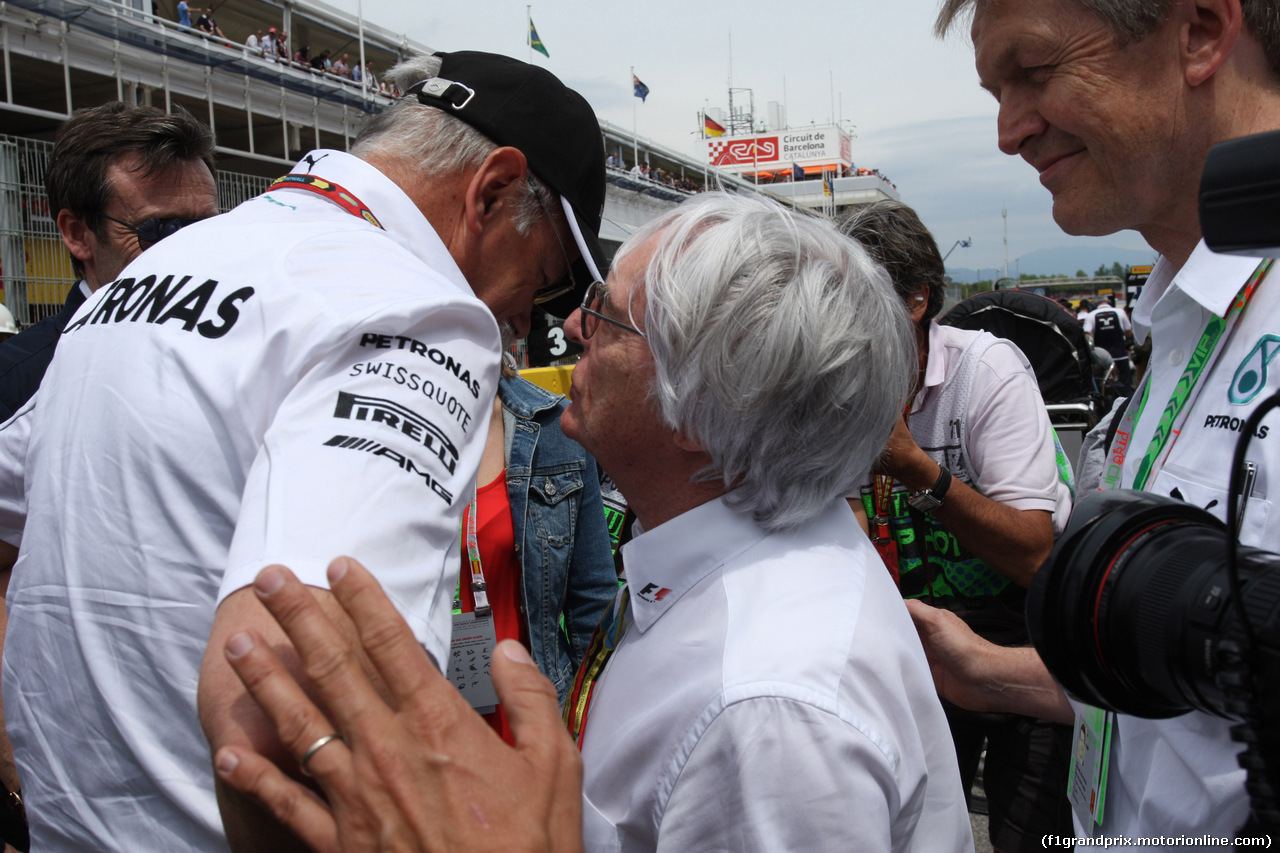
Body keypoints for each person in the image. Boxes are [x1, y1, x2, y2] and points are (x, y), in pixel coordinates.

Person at [218, 191, 976, 852]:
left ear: (700, 405)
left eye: (609, 315)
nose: (575, 325)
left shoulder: (765, 706)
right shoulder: (748, 581)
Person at [0, 50, 606, 853]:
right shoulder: (413, 307)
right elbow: (282, 710)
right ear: (491, 191)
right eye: (550, 274)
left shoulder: (153, 270)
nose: (538, 309)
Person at [916, 0, 1280, 846]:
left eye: (1034, 73)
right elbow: (1202, 683)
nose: (1008, 132)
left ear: (1198, 32)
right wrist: (995, 675)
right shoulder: (1179, 315)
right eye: (993, 91)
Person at [841, 200, 1075, 853]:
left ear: (917, 301)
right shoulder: (840, 384)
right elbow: (848, 536)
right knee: (920, 830)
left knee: (1030, 835)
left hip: (1027, 634)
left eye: (857, 296)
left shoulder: (986, 371)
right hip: (921, 641)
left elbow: (1033, 553)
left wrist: (916, 468)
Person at [0, 102, 218, 423]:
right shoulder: (16, 388)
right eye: (161, 229)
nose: (197, 251)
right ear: (77, 234)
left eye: (210, 228)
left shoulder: (255, 354)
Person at [453, 347, 617, 742]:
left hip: (530, 722)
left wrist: (591, 732)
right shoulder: (372, 431)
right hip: (411, 718)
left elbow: (592, 602)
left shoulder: (552, 428)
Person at [1082, 296, 1135, 394]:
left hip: (1101, 360)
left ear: (1095, 305)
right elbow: (1129, 332)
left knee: (1104, 387)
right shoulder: (1120, 312)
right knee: (1125, 385)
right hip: (1121, 355)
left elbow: (1086, 335)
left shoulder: (1091, 315)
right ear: (1108, 302)